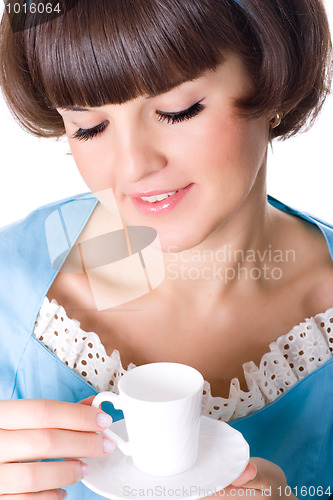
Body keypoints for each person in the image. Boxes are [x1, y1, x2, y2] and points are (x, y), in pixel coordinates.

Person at [0, 0, 332, 499]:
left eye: (177, 111)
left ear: (270, 75)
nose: (132, 167)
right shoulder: (11, 286)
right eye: (88, 127)